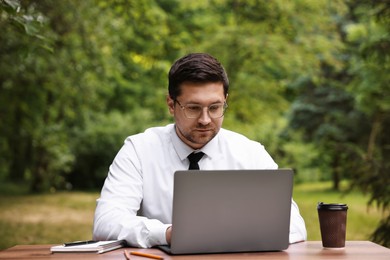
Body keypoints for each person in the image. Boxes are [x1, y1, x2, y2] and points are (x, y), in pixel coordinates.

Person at [92, 53, 307, 248]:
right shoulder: (139, 150)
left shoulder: (250, 153)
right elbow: (106, 221)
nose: (205, 120)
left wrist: (228, 235)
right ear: (171, 104)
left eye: (215, 108)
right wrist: (168, 233)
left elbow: (294, 226)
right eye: (193, 108)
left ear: (225, 102)